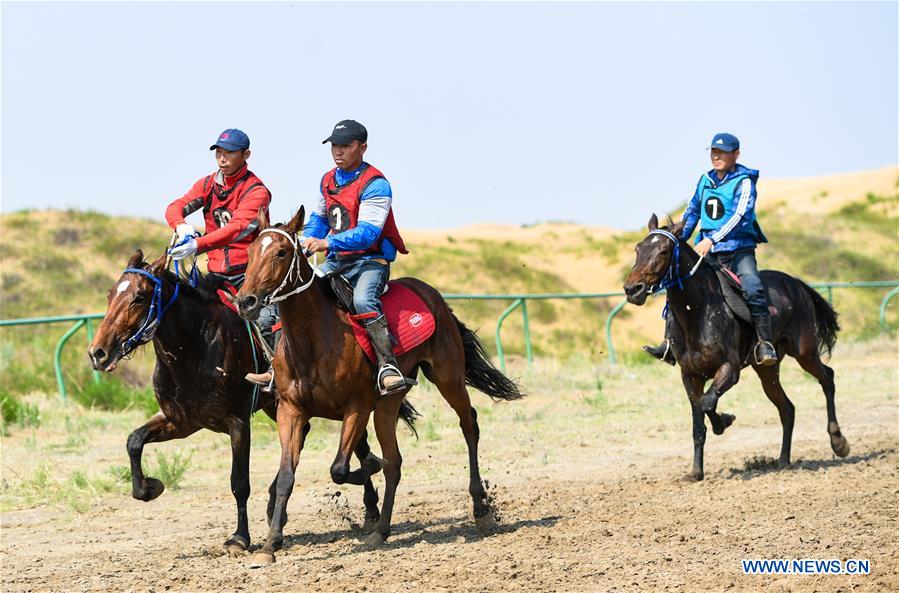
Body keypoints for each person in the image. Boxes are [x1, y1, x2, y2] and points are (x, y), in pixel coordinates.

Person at [300, 119, 414, 395]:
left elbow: (368, 233)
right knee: (301, 293)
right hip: (338, 262)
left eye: (345, 146)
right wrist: (305, 240)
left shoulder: (376, 184)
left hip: (369, 262)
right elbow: (319, 218)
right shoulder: (327, 179)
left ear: (362, 148)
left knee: (363, 299)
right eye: (334, 146)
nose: (337, 151)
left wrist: (327, 242)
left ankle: (388, 366)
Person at [643, 132, 777, 366]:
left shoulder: (745, 181)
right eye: (714, 152)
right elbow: (693, 211)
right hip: (708, 252)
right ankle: (669, 344)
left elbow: (740, 216)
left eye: (722, 152)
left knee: (753, 288)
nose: (717, 156)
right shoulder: (705, 180)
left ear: (736, 154)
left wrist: (712, 239)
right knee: (677, 280)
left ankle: (764, 344)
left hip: (738, 251)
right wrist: (676, 238)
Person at [164, 129, 279, 383]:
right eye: (219, 152)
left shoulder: (257, 191)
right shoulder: (207, 184)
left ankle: (278, 373)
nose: (222, 158)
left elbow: (235, 229)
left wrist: (198, 245)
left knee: (267, 320)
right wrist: (180, 224)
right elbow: (175, 206)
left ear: (246, 154)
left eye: (229, 153)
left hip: (250, 276)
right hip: (215, 275)